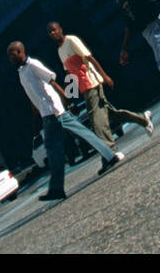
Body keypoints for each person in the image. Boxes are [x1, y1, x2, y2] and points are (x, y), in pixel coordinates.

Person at [8, 41, 123, 200]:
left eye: (13, 54)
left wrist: (68, 102)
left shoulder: (33, 65)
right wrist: (36, 119)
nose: (11, 58)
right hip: (46, 114)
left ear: (21, 51)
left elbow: (52, 81)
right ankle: (110, 156)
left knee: (70, 140)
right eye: (9, 55)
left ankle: (109, 157)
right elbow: (32, 98)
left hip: (55, 111)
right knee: (62, 145)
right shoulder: (21, 73)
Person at [48, 20, 154, 146]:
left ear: (61, 29)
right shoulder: (60, 51)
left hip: (91, 82)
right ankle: (143, 120)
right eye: (50, 32)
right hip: (83, 88)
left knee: (96, 120)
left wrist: (104, 76)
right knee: (111, 113)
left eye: (54, 29)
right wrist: (69, 96)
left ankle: (109, 150)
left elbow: (89, 58)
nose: (53, 33)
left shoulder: (72, 40)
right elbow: (69, 74)